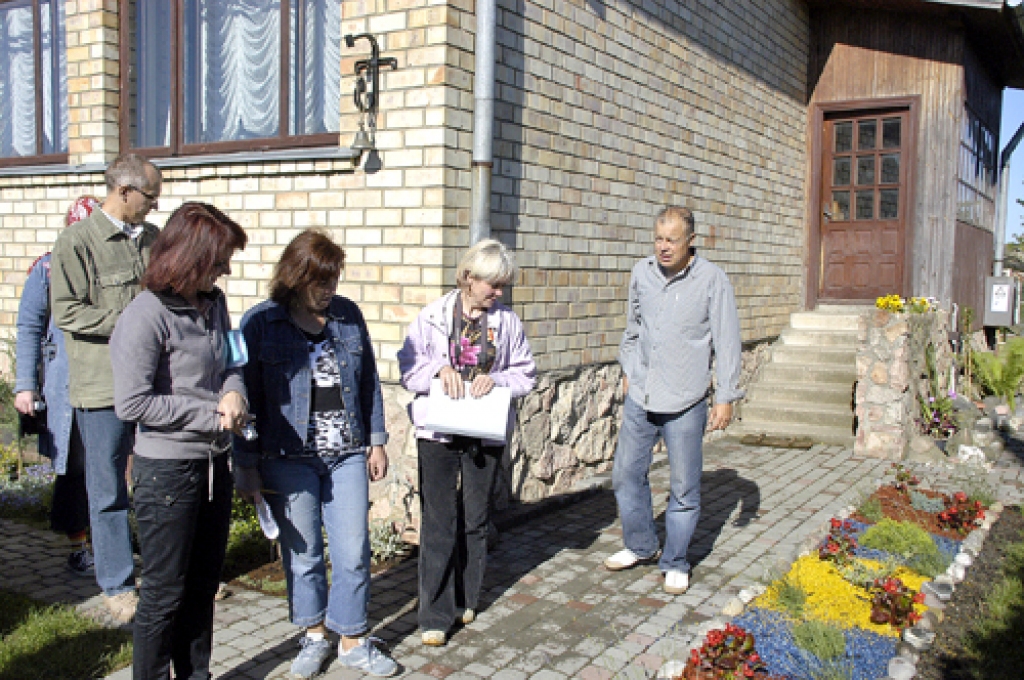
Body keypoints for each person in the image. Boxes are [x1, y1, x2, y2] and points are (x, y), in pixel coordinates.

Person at [234, 230, 397, 678]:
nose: (330, 291)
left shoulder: (348, 316)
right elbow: (240, 398)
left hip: (345, 453)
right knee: (302, 555)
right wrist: (245, 465)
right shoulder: (260, 323)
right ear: (296, 277)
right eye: (321, 282)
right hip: (287, 458)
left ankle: (352, 639)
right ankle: (313, 636)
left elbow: (368, 384)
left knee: (353, 550)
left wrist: (376, 440)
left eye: (334, 280)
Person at [110, 202, 248, 680]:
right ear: (190, 258)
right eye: (219, 260)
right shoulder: (145, 316)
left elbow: (234, 360)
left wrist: (233, 390)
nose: (227, 269)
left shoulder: (215, 304)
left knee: (202, 586)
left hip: (214, 467)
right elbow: (132, 404)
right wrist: (210, 413)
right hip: (168, 472)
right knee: (165, 594)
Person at [397, 238, 536, 647]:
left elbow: (526, 374)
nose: (498, 293)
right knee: (439, 521)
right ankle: (434, 615)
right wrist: (438, 370)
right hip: (438, 430)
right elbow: (409, 368)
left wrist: (501, 379)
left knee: (474, 518)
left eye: (502, 286)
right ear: (469, 278)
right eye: (492, 285)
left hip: (485, 429)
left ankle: (466, 597)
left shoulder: (508, 322)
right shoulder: (432, 317)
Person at [604, 206, 744, 595]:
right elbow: (633, 328)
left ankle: (676, 561)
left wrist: (726, 395)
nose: (663, 248)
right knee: (626, 475)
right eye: (659, 239)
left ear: (690, 241)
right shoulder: (642, 273)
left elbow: (727, 340)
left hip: (687, 398)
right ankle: (641, 544)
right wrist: (629, 369)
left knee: (683, 488)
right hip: (642, 394)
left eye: (672, 240)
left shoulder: (713, 280)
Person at [50, 153, 163, 622]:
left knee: (159, 482)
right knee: (108, 490)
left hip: (154, 383)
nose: (155, 206)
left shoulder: (154, 240)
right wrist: (131, 320)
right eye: (150, 197)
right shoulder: (77, 243)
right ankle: (117, 583)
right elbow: (68, 312)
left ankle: (164, 573)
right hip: (102, 389)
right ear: (124, 191)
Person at [14, 196, 100, 575]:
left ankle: (107, 545)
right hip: (66, 387)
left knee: (107, 470)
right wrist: (25, 386)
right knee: (74, 469)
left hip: (106, 385)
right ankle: (79, 545)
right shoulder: (47, 270)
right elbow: (30, 329)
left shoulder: (111, 267)